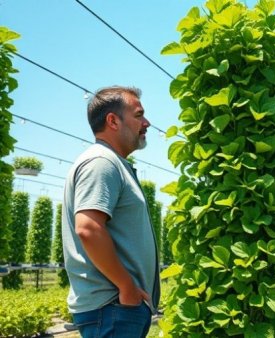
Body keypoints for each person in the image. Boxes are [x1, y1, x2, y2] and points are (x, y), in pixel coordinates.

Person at [62, 86, 160, 337]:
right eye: (139, 115)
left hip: (118, 308)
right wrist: (127, 287)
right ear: (113, 120)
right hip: (113, 307)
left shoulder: (112, 163)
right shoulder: (101, 163)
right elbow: (88, 228)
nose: (146, 123)